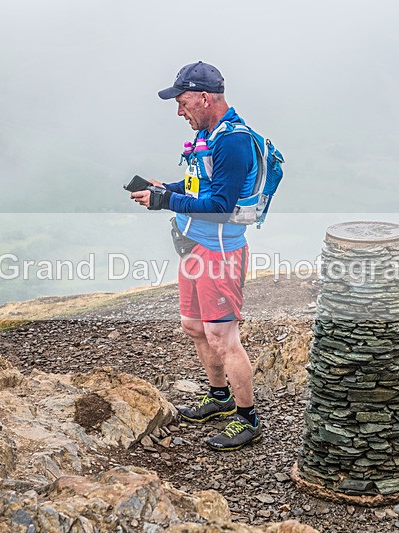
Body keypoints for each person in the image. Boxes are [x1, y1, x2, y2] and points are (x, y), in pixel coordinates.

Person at [130, 61, 262, 450]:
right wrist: (164, 187)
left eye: (183, 101)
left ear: (205, 98)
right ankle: (220, 398)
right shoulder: (209, 134)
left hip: (220, 251)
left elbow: (221, 204)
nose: (179, 110)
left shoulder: (234, 140)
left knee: (222, 336)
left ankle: (247, 418)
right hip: (192, 246)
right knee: (194, 326)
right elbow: (201, 184)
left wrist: (164, 200)